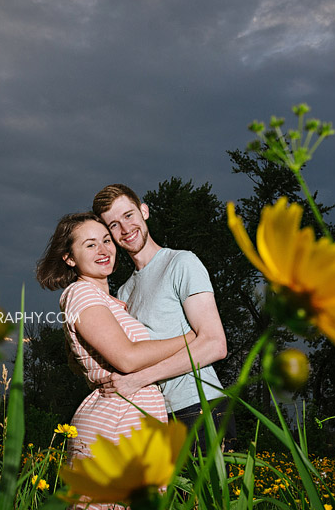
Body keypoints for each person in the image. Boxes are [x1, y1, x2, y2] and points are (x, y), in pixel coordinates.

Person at [36, 212, 194, 510]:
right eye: (90, 244)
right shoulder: (81, 294)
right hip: (116, 421)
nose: (103, 249)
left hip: (133, 418)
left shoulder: (109, 301)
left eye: (106, 240)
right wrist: (194, 337)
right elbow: (126, 357)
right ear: (69, 258)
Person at [92, 184, 234, 452]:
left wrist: (139, 379)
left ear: (144, 211)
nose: (125, 229)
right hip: (155, 414)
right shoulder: (124, 291)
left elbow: (216, 344)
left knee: (207, 496)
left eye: (129, 215)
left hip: (198, 406)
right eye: (113, 224)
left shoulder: (181, 263)